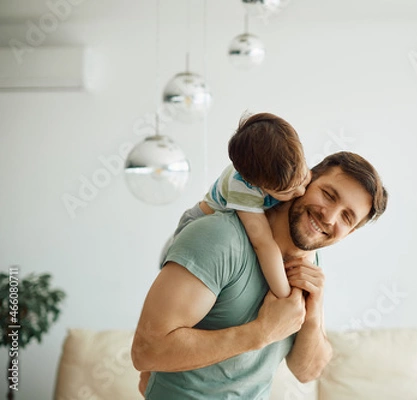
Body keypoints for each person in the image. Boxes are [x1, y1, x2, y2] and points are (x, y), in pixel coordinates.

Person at [132, 151, 388, 399]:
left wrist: (313, 312)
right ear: (307, 180)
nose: (329, 216)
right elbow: (147, 351)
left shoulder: (310, 263)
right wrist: (262, 332)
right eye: (329, 195)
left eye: (346, 217)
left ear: (350, 232)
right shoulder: (219, 238)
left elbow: (307, 371)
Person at [159, 112, 311, 299]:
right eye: (287, 192)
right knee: (178, 282)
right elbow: (264, 245)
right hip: (197, 224)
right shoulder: (243, 188)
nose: (301, 192)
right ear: (258, 185)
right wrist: (286, 296)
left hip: (230, 229)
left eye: (304, 178)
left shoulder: (291, 163)